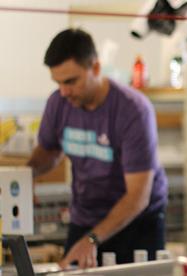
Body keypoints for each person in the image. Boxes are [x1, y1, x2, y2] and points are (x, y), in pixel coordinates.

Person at [27, 28, 168, 268]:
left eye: (71, 81)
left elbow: (137, 197)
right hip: (86, 219)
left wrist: (92, 240)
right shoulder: (58, 103)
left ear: (95, 68)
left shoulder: (133, 110)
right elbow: (49, 152)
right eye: (58, 83)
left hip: (136, 223)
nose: (63, 91)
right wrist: (24, 176)